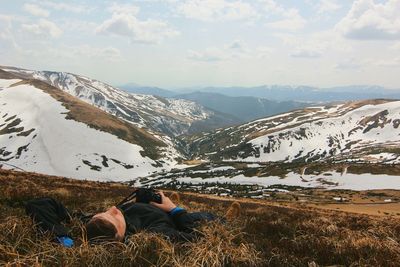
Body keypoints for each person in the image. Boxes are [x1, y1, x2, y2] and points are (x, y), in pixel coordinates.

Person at [25, 190, 218, 247]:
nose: (113, 208)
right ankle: (223, 215)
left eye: (105, 211)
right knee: (209, 218)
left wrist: (63, 239)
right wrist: (175, 210)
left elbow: (38, 204)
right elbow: (198, 237)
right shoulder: (153, 233)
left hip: (143, 207)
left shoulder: (90, 224)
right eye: (114, 215)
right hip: (168, 216)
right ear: (120, 235)